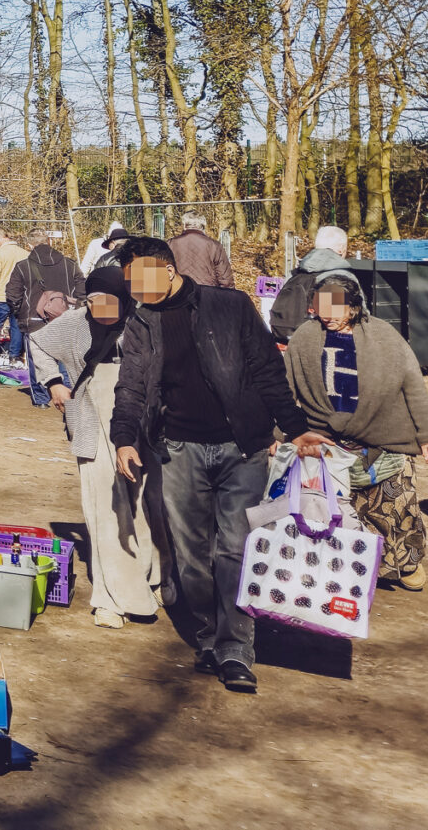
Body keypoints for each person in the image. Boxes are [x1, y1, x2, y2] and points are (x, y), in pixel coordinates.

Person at [110, 236, 314, 694]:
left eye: (140, 279)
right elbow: (131, 385)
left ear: (166, 269)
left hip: (241, 447)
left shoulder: (230, 305)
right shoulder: (141, 320)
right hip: (178, 450)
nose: (135, 290)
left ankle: (235, 648)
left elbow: (266, 369)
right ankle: (207, 634)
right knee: (192, 557)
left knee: (236, 551)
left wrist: (293, 427)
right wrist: (124, 437)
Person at [282, 278, 428, 589]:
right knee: (333, 512)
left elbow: (413, 385)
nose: (326, 314)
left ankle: (406, 564)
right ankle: (349, 571)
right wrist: (280, 433)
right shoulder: (305, 337)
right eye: (320, 306)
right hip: (326, 440)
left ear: (354, 307)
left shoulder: (383, 335)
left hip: (383, 437)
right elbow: (285, 389)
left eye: (335, 307)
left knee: (397, 506)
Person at [26, 264, 161, 627]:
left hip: (141, 415)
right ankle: (110, 598)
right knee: (105, 508)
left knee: (144, 503)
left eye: (108, 300)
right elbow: (37, 340)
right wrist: (53, 381)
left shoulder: (143, 321)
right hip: (91, 414)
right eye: (94, 299)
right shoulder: (76, 321)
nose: (100, 307)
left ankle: (148, 578)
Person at [6, 229, 84, 369]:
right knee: (66, 369)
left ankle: (45, 391)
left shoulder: (22, 267)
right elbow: (82, 293)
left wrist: (22, 314)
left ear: (29, 245)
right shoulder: (70, 265)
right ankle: (66, 390)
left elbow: (12, 295)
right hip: (66, 321)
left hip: (35, 322)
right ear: (49, 241)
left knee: (40, 371)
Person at [267, 225, 354, 345]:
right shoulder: (340, 277)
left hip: (290, 343)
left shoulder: (295, 274)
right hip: (326, 348)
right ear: (340, 249)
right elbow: (357, 318)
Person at [0, 228, 30, 358]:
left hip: (2, 296)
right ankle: (15, 355)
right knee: (16, 326)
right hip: (20, 296)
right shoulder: (25, 253)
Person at [168, 215, 235, 291]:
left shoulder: (170, 244)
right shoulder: (214, 245)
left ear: (184, 226)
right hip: (207, 293)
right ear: (203, 227)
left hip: (179, 293)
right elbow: (225, 279)